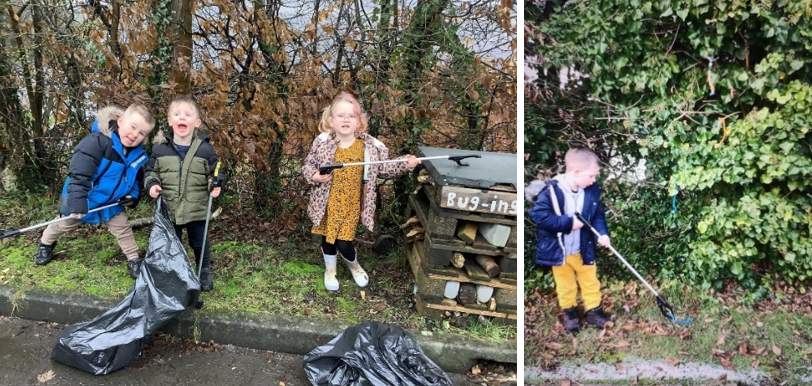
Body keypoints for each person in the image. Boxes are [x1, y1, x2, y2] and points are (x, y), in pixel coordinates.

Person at [303, 92, 420, 291]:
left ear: (359, 121)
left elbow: (385, 167)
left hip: (350, 205)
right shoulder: (322, 143)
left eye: (351, 116)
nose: (346, 119)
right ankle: (330, 271)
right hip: (326, 204)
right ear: (331, 120)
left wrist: (405, 163)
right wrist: (314, 176)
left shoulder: (369, 147)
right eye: (341, 115)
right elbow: (308, 165)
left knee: (343, 243)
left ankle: (353, 265)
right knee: (327, 240)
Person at [34, 104, 156, 279]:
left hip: (112, 202)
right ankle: (45, 244)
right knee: (63, 224)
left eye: (142, 133)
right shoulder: (98, 142)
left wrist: (133, 197)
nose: (135, 134)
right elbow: (79, 174)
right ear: (121, 121)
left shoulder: (137, 155)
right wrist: (77, 202)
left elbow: (136, 180)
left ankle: (134, 259)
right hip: (85, 198)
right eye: (133, 127)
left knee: (123, 228)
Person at [530, 147, 613, 332]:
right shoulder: (551, 192)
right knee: (565, 285)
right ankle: (570, 313)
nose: (593, 180)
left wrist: (602, 234)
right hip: (560, 251)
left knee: (590, 281)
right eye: (591, 176)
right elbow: (540, 217)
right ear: (576, 172)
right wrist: (567, 222)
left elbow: (597, 214)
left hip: (583, 248)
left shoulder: (589, 192)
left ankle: (594, 312)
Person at [145, 96, 222, 291]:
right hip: (170, 208)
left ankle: (203, 270)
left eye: (188, 115)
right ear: (170, 121)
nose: (182, 118)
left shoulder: (205, 149)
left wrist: (216, 182)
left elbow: (216, 171)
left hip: (197, 208)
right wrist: (152, 184)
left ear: (196, 123)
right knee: (172, 244)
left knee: (199, 243)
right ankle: (176, 272)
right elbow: (150, 172)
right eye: (177, 114)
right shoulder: (160, 149)